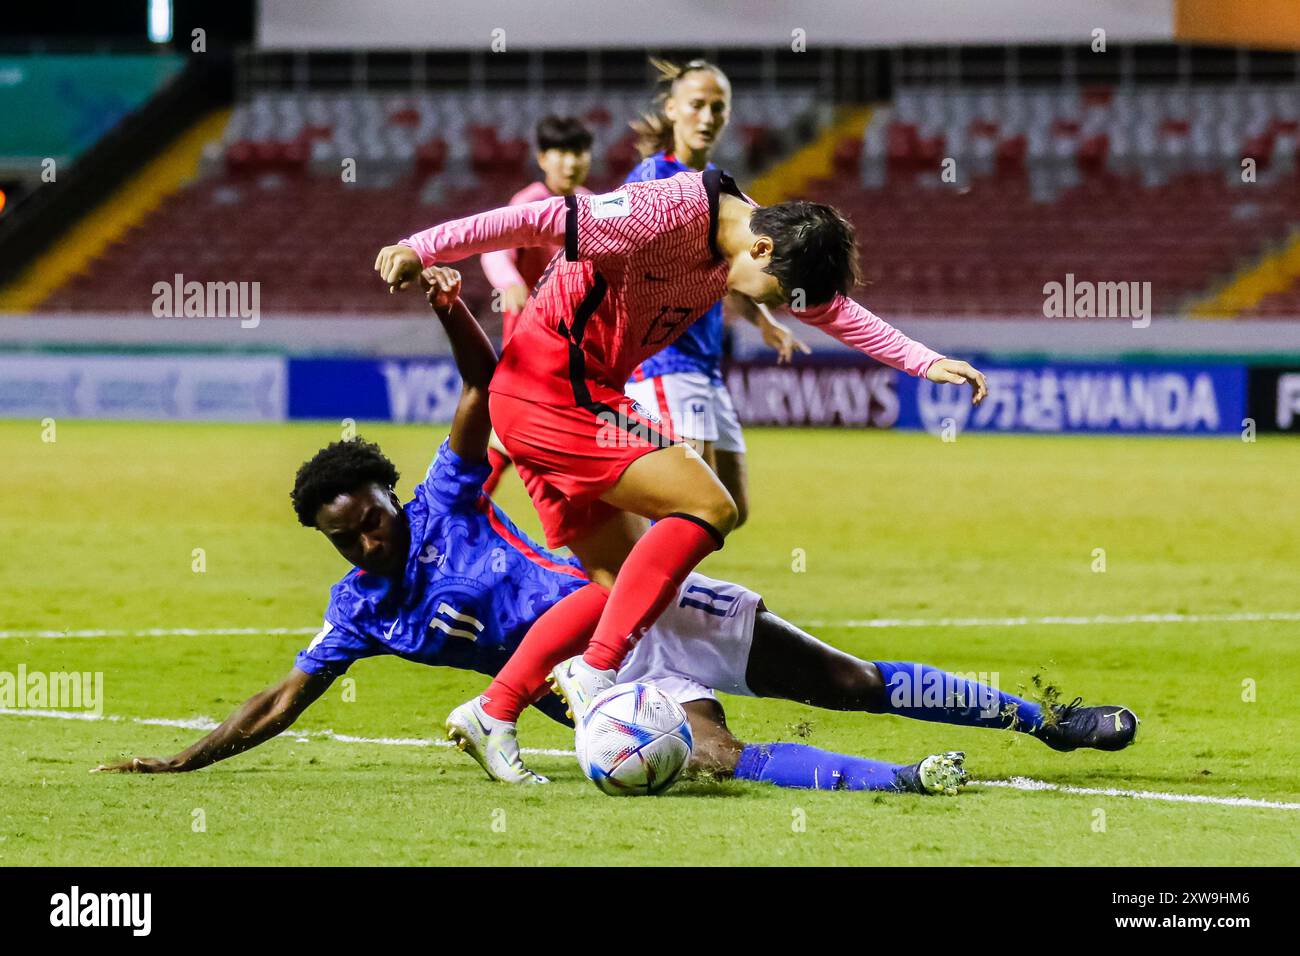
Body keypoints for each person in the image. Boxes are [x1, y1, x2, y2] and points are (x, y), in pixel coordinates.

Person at [93, 269, 1137, 795]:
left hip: (643, 600)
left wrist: (448, 302)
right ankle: (910, 784)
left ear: (390, 496)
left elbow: (480, 382)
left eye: (367, 518)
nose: (363, 543)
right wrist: (190, 759)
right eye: (343, 537)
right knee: (716, 756)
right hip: (599, 686)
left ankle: (1045, 721)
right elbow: (286, 693)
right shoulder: (357, 610)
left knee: (851, 682)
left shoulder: (449, 501)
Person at [373, 162, 991, 757]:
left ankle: (494, 712)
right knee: (708, 504)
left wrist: (922, 361)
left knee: (622, 586)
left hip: (553, 397)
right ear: (763, 252)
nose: (780, 309)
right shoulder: (662, 213)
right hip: (559, 391)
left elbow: (833, 311)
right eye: (781, 297)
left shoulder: (755, 243)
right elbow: (533, 221)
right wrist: (422, 247)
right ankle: (595, 672)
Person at [622, 58, 809, 527]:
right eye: (697, 105)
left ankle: (642, 581)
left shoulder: (719, 185)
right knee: (692, 508)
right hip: (665, 359)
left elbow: (727, 267)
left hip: (704, 364)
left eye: (718, 107)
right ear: (671, 109)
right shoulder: (651, 179)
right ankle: (643, 593)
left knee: (733, 509)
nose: (707, 117)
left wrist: (764, 322)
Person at [479, 115, 595, 494]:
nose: (571, 161)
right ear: (542, 158)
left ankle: (454, 521)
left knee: (522, 445)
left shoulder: (594, 206)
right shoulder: (529, 204)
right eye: (561, 152)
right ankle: (453, 522)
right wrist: (510, 282)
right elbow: (495, 251)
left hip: (580, 353)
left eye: (578, 152)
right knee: (511, 444)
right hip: (530, 351)